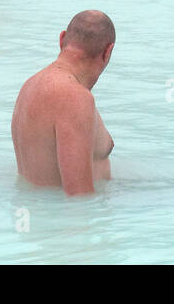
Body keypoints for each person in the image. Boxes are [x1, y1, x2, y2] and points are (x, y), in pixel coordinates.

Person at [12, 11, 117, 195]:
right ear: (108, 52)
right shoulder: (75, 98)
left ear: (61, 39)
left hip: (43, 215)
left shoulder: (30, 84)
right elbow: (78, 198)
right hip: (66, 221)